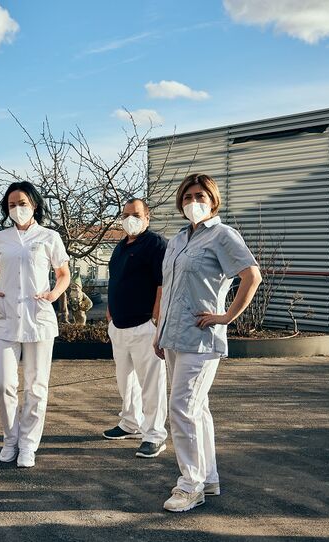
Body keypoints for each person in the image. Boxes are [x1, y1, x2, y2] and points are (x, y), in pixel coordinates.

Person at [155, 173, 261, 512]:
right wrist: (160, 333)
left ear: (212, 199)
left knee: (181, 409)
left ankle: (190, 485)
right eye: (187, 197)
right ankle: (208, 477)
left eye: (199, 195)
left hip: (201, 339)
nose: (193, 202)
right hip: (173, 337)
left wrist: (226, 316)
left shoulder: (223, 235)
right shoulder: (177, 240)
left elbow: (251, 275)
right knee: (197, 409)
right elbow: (170, 289)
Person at [0, 181, 70, 468]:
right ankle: (11, 438)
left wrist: (53, 295)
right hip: (5, 316)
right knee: (3, 384)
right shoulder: (1, 238)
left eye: (22, 203)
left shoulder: (49, 237)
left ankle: (29, 444)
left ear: (34, 204)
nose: (16, 209)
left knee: (36, 386)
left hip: (38, 317)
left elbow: (63, 273)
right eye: (11, 205)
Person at [103, 198, 169, 459]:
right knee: (125, 381)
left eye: (136, 214)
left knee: (150, 383)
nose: (131, 218)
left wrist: (156, 318)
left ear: (147, 217)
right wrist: (110, 312)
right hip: (118, 325)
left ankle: (154, 434)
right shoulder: (120, 247)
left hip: (144, 325)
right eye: (126, 214)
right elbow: (115, 280)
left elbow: (162, 284)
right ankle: (130, 422)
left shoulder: (155, 244)